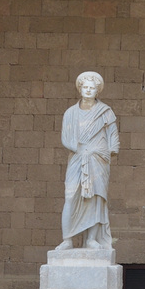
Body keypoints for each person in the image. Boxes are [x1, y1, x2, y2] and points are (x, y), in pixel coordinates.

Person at [55, 71, 119, 251]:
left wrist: (111, 149)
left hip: (98, 160)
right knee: (71, 196)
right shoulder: (70, 113)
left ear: (97, 91)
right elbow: (66, 138)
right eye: (86, 87)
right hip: (77, 158)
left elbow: (112, 134)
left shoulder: (105, 112)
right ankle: (67, 239)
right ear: (80, 89)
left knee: (95, 198)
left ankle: (92, 239)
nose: (88, 90)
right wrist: (81, 149)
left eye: (92, 88)